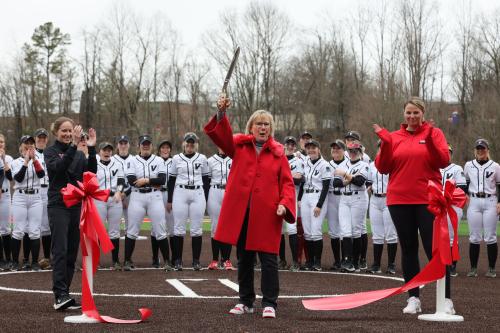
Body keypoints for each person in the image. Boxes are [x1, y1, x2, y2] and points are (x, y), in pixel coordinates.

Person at [204, 96, 296, 319]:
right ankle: (245, 301)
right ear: (251, 127)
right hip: (243, 213)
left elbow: (287, 183)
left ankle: (270, 303)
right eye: (259, 124)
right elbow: (220, 135)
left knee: (268, 259)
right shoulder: (238, 145)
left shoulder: (278, 153)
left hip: (267, 214)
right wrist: (221, 112)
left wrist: (284, 204)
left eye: (267, 124)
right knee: (244, 258)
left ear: (271, 129)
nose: (263, 127)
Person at [373, 96, 453, 315]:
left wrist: (428, 140)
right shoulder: (394, 137)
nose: (412, 116)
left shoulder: (434, 133)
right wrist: (386, 144)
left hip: (428, 200)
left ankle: (445, 299)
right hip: (399, 200)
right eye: (408, 112)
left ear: (423, 114)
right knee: (408, 249)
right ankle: (413, 297)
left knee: (434, 249)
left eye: (416, 112)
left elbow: (443, 161)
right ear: (403, 114)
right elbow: (382, 167)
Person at [44, 117, 97, 310]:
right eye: (64, 131)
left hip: (76, 206)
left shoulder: (78, 153)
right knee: (60, 249)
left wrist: (91, 149)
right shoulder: (51, 152)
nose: (67, 134)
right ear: (56, 132)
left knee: (72, 252)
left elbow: (90, 174)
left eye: (70, 131)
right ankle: (59, 295)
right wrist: (75, 146)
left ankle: (64, 294)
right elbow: (59, 169)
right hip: (58, 205)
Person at [124, 135, 168, 271]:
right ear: (139, 146)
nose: (146, 146)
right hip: (137, 197)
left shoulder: (159, 160)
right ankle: (127, 260)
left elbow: (162, 180)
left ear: (151, 146)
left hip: (155, 196)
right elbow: (132, 180)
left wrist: (146, 180)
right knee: (131, 230)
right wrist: (151, 180)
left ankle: (167, 261)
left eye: (148, 144)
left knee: (160, 230)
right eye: (143, 144)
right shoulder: (132, 160)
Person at [167, 133, 210, 271]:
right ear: (184, 143)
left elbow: (206, 180)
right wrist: (169, 199)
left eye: (193, 143)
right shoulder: (176, 158)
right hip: (180, 192)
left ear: (196, 144)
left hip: (198, 193)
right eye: (188, 143)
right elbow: (172, 180)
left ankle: (196, 261)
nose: (190, 145)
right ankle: (178, 261)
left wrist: (206, 198)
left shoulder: (202, 158)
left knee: (196, 229)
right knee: (179, 228)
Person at [6, 135, 45, 271]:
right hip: (20, 197)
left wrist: (33, 160)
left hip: (36, 197)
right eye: (26, 143)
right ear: (20, 146)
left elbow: (41, 175)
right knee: (18, 231)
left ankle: (34, 262)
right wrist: (26, 161)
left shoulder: (38, 160)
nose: (28, 145)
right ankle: (15, 262)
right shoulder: (16, 162)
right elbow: (18, 178)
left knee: (34, 231)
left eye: (31, 143)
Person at [463, 139, 500, 278]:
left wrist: (499, 202)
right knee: (474, 237)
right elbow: (464, 182)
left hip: (490, 200)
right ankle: (473, 269)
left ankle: (491, 269)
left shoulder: (495, 166)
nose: (480, 151)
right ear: (475, 150)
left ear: (487, 150)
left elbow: (499, 185)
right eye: (478, 148)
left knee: (490, 236)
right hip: (474, 201)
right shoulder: (468, 165)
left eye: (483, 148)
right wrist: (465, 194)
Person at [333, 142, 369, 273]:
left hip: (358, 198)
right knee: (345, 231)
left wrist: (345, 175)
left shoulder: (364, 165)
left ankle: (355, 261)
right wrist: (349, 178)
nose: (353, 152)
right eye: (351, 150)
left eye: (355, 150)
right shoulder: (343, 165)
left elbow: (360, 182)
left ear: (360, 151)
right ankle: (347, 260)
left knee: (356, 231)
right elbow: (336, 183)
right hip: (344, 198)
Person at [299, 140, 331, 271]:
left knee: (316, 231)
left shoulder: (324, 164)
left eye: (313, 147)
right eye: (309, 148)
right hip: (306, 196)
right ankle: (310, 261)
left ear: (318, 149)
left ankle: (317, 262)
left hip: (318, 197)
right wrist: (300, 198)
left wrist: (319, 205)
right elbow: (302, 182)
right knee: (307, 232)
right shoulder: (305, 162)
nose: (311, 150)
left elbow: (326, 187)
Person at [367, 142, 398, 275]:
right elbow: (368, 181)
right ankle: (376, 264)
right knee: (377, 234)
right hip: (374, 199)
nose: (382, 149)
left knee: (391, 234)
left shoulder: (393, 163)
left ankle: (391, 264)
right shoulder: (371, 165)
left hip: (388, 199)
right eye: (380, 147)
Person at [95, 142, 125, 271]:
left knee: (114, 231)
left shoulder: (117, 164)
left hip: (114, 199)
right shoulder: (94, 164)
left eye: (109, 150)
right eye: (104, 150)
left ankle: (115, 260)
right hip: (99, 198)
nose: (107, 152)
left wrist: (119, 191)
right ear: (99, 151)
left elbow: (121, 181)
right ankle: (95, 260)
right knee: (98, 231)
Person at [440, 144, 467, 277]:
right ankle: (440, 264)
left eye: (448, 152)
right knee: (438, 236)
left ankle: (452, 265)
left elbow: (462, 189)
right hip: (437, 206)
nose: (446, 154)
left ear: (451, 154)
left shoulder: (457, 168)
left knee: (451, 237)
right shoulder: (433, 167)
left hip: (452, 205)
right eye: (444, 152)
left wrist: (445, 196)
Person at [206, 147, 234, 270]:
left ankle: (227, 260)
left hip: (230, 192)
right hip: (214, 191)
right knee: (215, 226)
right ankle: (215, 260)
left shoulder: (234, 159)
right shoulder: (210, 160)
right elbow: (206, 180)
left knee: (228, 226)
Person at [282, 136, 303, 272]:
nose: (290, 146)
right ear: (284, 145)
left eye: (292, 144)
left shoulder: (298, 161)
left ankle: (295, 261)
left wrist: (285, 176)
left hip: (291, 196)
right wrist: (290, 175)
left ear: (295, 147)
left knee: (291, 229)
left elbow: (298, 181)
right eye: (288, 144)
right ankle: (281, 260)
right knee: (278, 230)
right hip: (277, 196)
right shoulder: (278, 158)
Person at [326, 139, 348, 271]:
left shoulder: (348, 163)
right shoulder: (327, 164)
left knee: (345, 230)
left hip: (344, 197)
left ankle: (346, 260)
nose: (335, 150)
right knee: (333, 231)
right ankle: (337, 261)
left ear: (343, 150)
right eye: (333, 148)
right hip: (331, 198)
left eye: (338, 148)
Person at [34, 128, 52, 270]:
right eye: (39, 137)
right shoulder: (30, 153)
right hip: (36, 189)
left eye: (44, 137)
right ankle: (31, 259)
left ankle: (47, 258)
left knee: (46, 226)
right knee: (33, 225)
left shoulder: (51, 152)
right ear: (35, 139)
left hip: (49, 190)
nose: (41, 139)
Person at [155, 139, 174, 270]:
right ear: (159, 149)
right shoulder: (155, 160)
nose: (165, 150)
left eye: (167, 147)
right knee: (155, 228)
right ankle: (155, 258)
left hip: (170, 193)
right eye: (163, 147)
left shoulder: (175, 161)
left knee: (172, 227)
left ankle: (173, 258)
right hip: (157, 193)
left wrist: (171, 200)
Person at [112, 135, 134, 238]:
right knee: (115, 219)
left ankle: (128, 237)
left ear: (129, 145)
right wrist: (120, 193)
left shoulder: (134, 159)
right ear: (117, 145)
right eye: (121, 143)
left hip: (130, 192)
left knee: (130, 219)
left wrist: (126, 193)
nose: (123, 145)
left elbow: (135, 179)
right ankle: (114, 237)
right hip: (115, 193)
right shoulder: (112, 159)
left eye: (125, 143)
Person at [0, 134, 14, 270]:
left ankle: (8, 259)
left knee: (6, 228)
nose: (0, 144)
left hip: (5, 195)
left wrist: (4, 160)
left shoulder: (9, 158)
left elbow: (10, 178)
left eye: (2, 142)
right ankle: (1, 259)